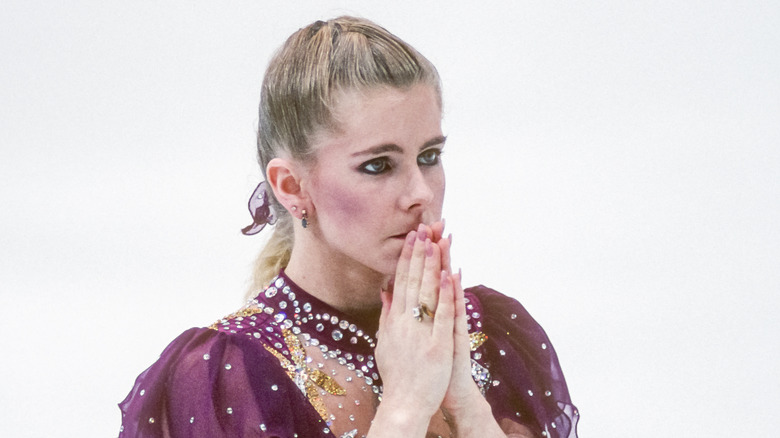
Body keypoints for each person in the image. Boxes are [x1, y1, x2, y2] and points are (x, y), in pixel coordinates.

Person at [118, 16, 579, 438]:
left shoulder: (494, 335)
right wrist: (404, 409)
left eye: (429, 157)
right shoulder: (225, 376)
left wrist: (468, 407)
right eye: (378, 166)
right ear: (292, 186)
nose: (420, 191)